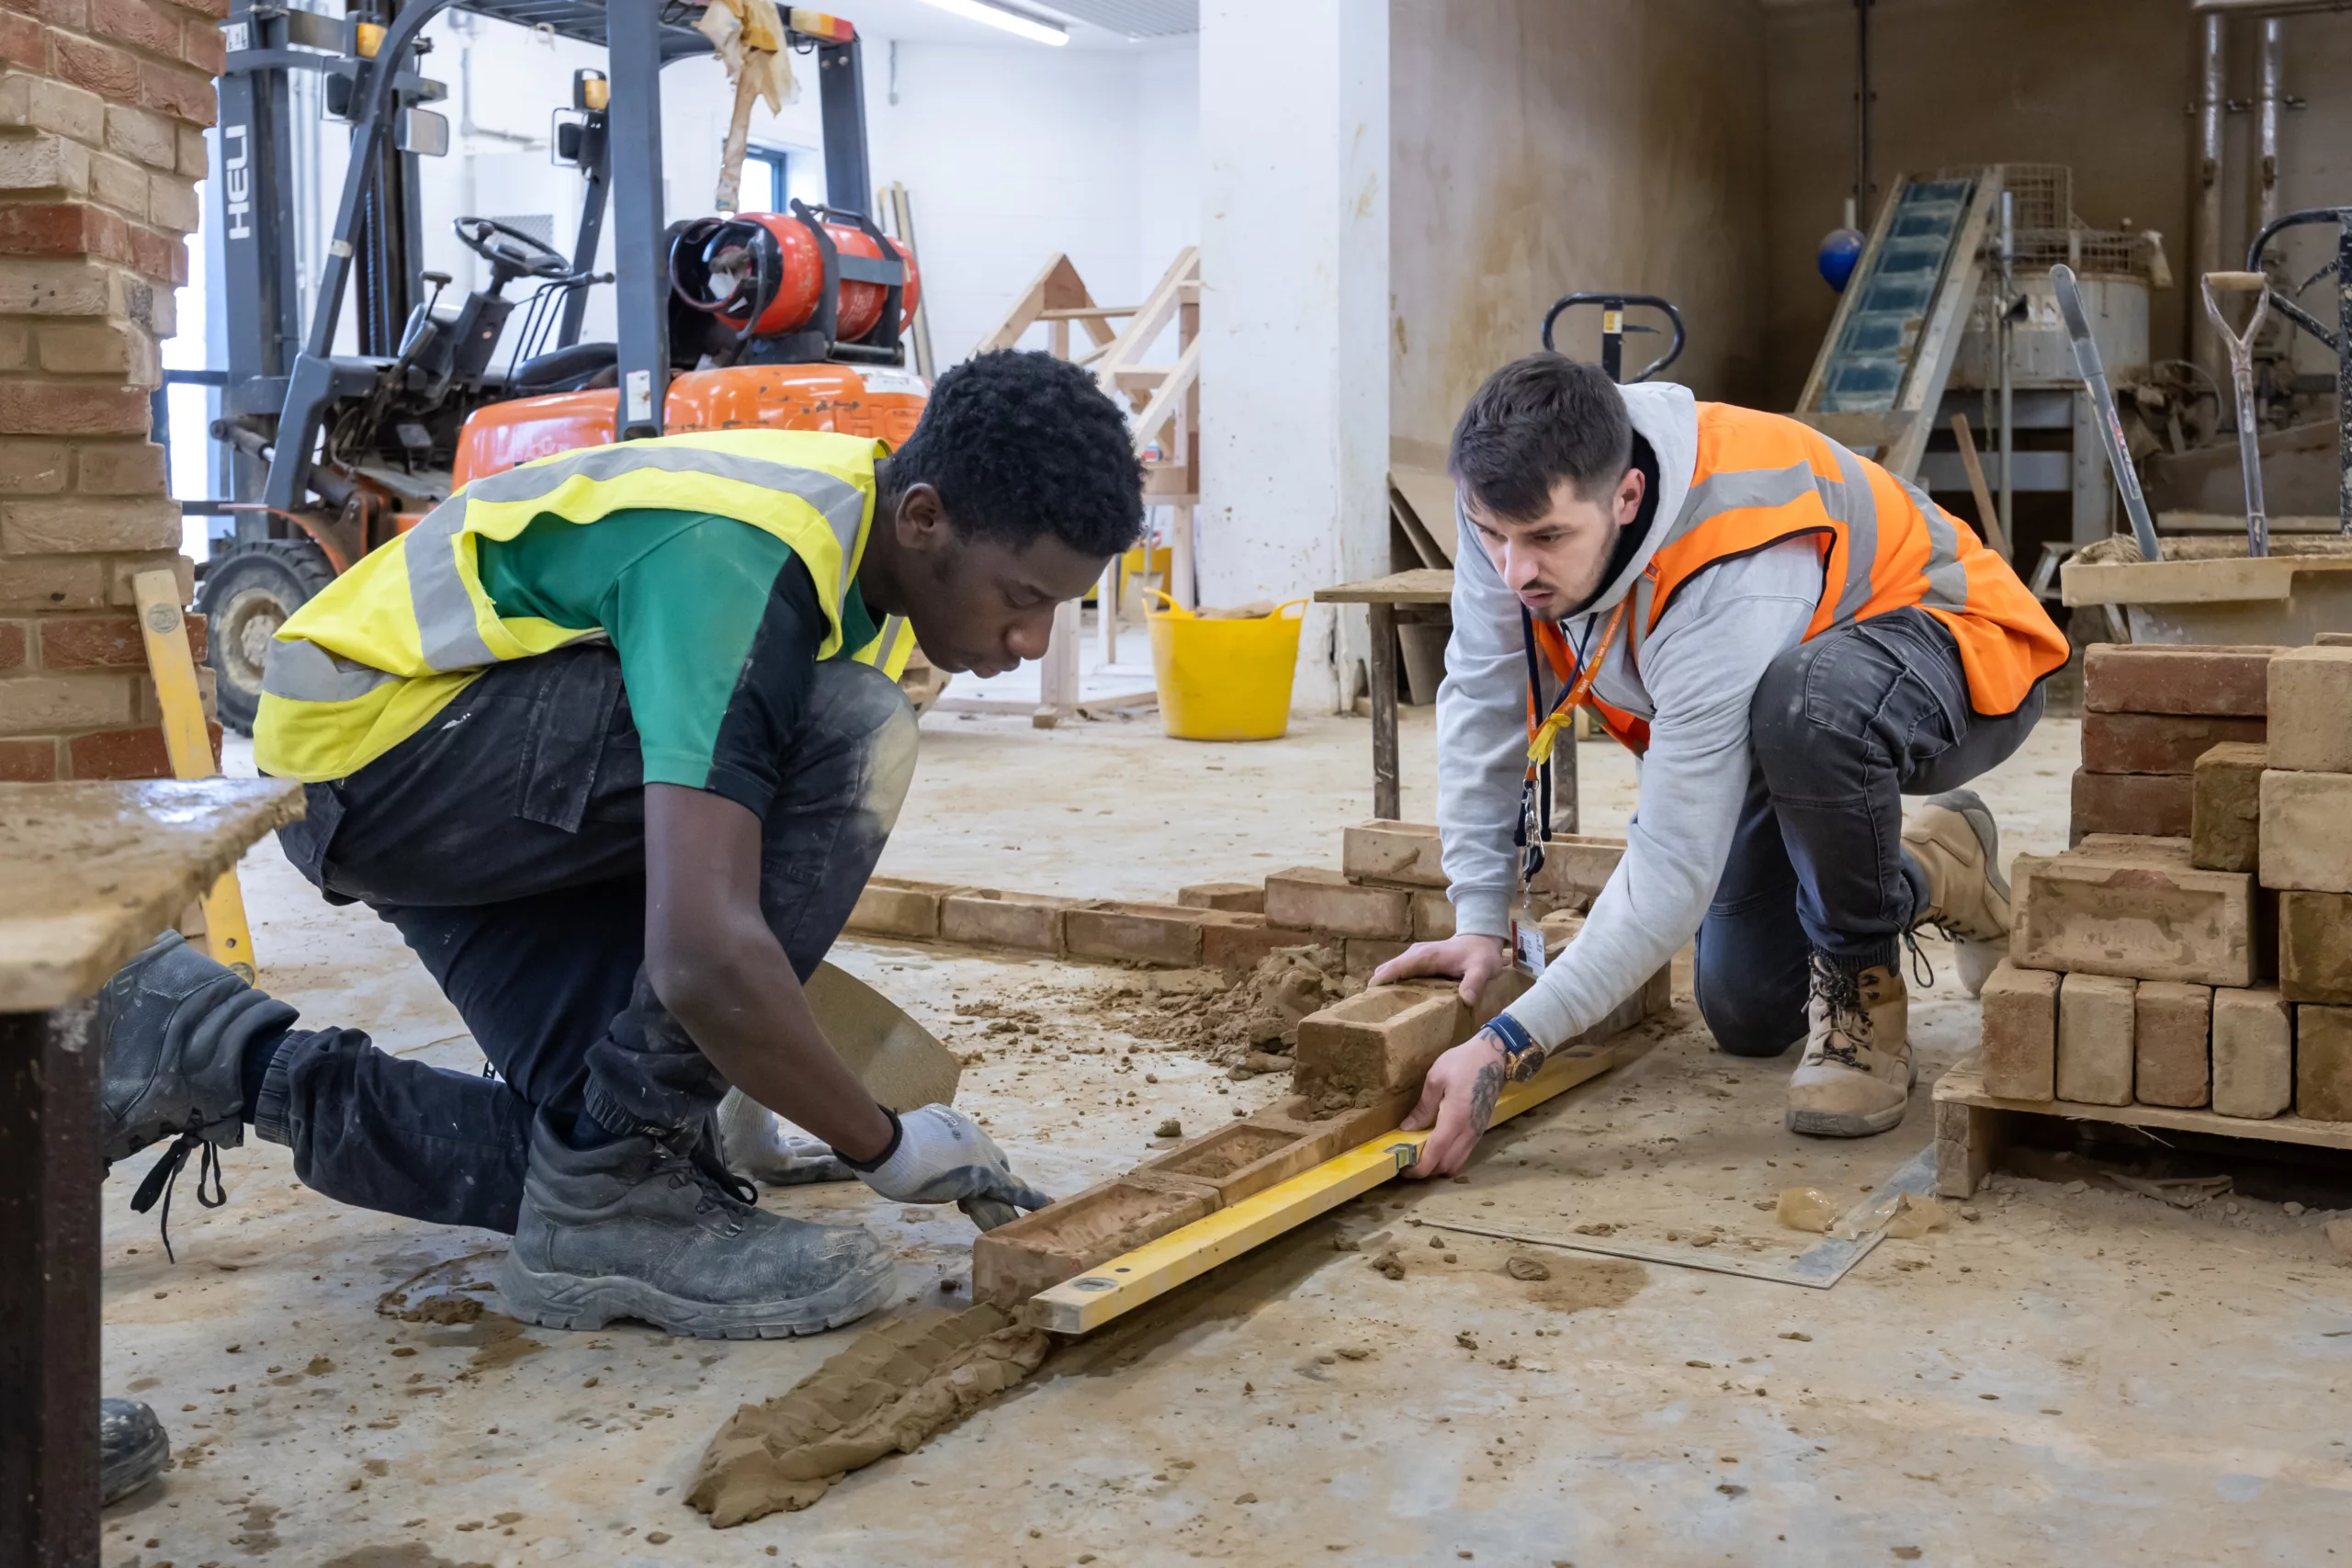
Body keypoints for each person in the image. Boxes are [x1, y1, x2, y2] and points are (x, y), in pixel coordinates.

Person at [97, 350, 1145, 1338]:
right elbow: (701, 952)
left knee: (598, 1146)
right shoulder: (745, 559)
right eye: (1024, 598)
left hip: (457, 771)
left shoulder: (865, 553)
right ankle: (624, 1195)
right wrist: (882, 1138)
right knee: (855, 729)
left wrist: (738, 1093)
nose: (1032, 642)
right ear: (924, 518)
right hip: (381, 751)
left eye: (1062, 606)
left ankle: (211, 1047)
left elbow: (729, 860)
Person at [1376, 354, 2065, 1175]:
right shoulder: (1511, 505)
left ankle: (1863, 998)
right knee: (1748, 1008)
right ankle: (1939, 864)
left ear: (1626, 496)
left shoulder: (1729, 569)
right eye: (1493, 534)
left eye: (1548, 538)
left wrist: (1507, 1043)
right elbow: (1486, 696)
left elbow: (1673, 864)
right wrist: (1479, 918)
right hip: (1782, 698)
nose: (1514, 569)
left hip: (1955, 650)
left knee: (1806, 705)